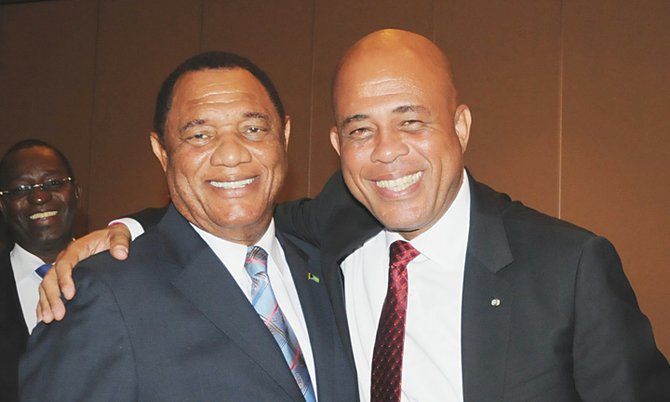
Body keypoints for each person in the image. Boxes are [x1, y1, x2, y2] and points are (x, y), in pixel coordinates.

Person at [39, 30, 670, 401]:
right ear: (336, 145)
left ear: (461, 126)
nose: (388, 153)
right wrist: (125, 229)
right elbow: (223, 212)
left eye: (412, 121)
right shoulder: (329, 238)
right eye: (360, 128)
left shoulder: (569, 268)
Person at [19, 51, 356, 402]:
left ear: (284, 137)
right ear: (162, 152)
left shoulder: (328, 271)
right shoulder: (101, 296)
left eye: (253, 129)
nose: (231, 154)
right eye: (199, 135)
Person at [0, 139, 80, 402]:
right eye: (20, 188)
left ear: (76, 193)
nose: (38, 196)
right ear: (3, 206)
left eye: (53, 183)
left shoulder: (119, 276)